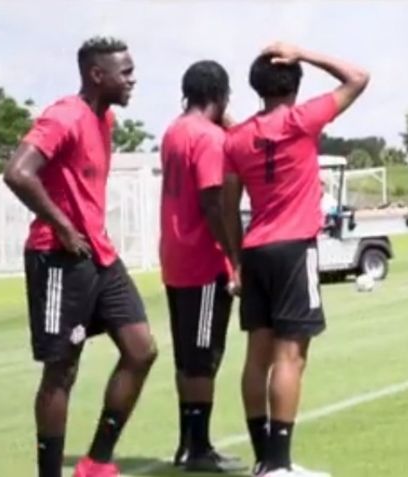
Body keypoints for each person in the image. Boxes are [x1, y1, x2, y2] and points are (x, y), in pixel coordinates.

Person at [3, 36, 158, 477]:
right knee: (61, 372)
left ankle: (95, 462)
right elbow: (18, 173)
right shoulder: (64, 115)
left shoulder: (104, 119)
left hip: (99, 255)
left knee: (141, 350)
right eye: (125, 72)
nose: (133, 79)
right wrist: (62, 226)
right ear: (97, 74)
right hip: (58, 256)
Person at [222, 41, 369, 477]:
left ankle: (264, 460)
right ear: (295, 83)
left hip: (255, 249)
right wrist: (303, 53)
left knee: (257, 357)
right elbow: (358, 77)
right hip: (293, 249)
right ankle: (279, 465)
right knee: (291, 358)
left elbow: (229, 208)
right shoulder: (303, 120)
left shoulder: (237, 138)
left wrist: (235, 261)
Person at [158, 60, 245, 473]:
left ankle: (187, 443)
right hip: (202, 258)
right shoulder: (210, 138)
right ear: (221, 94)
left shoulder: (175, 130)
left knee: (186, 355)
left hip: (174, 255)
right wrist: (233, 257)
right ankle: (198, 448)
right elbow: (213, 202)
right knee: (203, 357)